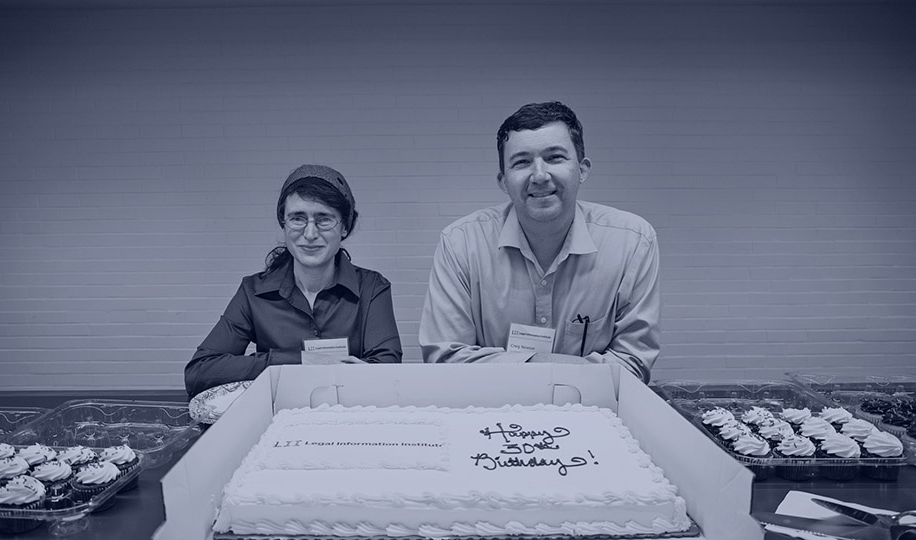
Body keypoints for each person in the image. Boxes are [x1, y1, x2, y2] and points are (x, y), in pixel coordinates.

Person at [419, 101, 660, 382]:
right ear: (503, 180)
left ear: (582, 169)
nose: (540, 175)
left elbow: (633, 363)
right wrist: (548, 363)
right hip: (489, 410)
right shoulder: (460, 243)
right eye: (521, 162)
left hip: (594, 410)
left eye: (555, 157)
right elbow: (445, 358)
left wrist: (515, 365)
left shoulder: (633, 242)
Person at [185, 164, 402, 397]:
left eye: (324, 219)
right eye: (298, 218)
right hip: (276, 423)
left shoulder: (372, 288)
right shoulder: (253, 292)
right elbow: (200, 371)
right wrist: (297, 362)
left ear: (345, 227)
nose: (310, 234)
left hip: (350, 421)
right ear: (284, 223)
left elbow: (387, 371)